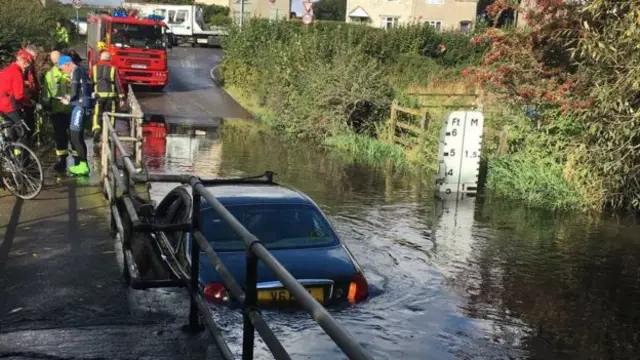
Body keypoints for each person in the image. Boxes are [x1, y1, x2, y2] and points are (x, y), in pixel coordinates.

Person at [58, 55, 94, 176]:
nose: (64, 72)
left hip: (80, 106)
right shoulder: (81, 70)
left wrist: (66, 100)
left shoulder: (75, 71)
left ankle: (83, 166)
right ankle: (82, 165)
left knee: (75, 136)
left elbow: (74, 92)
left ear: (68, 64)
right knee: (78, 136)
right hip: (84, 105)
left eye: (63, 68)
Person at [41, 51, 75, 172]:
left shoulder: (49, 74)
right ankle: (75, 161)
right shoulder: (71, 71)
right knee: (73, 135)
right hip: (71, 109)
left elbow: (46, 94)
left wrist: (46, 107)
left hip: (59, 110)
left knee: (61, 136)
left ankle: (62, 161)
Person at [91, 51, 125, 148]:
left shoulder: (94, 68)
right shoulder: (113, 68)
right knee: (111, 116)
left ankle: (96, 128)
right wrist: (122, 98)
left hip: (98, 97)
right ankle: (110, 134)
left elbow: (91, 81)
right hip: (111, 97)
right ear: (110, 59)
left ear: (100, 59)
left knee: (97, 114)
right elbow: (118, 84)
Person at [0, 50, 34, 141]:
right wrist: (28, 102)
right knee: (22, 132)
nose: (26, 66)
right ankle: (23, 154)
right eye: (26, 63)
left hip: (2, 106)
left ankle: (9, 153)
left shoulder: (5, 70)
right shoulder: (16, 73)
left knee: (11, 132)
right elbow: (19, 95)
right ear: (21, 60)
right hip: (11, 106)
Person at [22, 45, 41, 142]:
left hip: (31, 96)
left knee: (30, 121)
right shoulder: (25, 65)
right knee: (28, 123)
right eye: (34, 55)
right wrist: (30, 84)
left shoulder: (31, 64)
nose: (35, 58)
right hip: (26, 99)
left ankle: (29, 142)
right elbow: (20, 81)